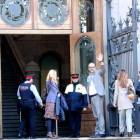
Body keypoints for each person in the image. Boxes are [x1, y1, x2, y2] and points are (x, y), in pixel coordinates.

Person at [17, 74, 43, 139]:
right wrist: (41, 103)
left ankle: (20, 133)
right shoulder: (32, 86)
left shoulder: (20, 86)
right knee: (32, 119)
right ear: (31, 79)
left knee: (24, 119)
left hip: (23, 103)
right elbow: (37, 96)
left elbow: (18, 95)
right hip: (31, 103)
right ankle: (32, 135)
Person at [87, 53, 106, 138]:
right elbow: (88, 89)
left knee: (99, 114)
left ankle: (102, 132)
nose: (91, 68)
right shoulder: (88, 76)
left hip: (98, 95)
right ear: (88, 69)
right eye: (90, 67)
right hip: (92, 97)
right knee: (96, 115)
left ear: (95, 67)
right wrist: (88, 101)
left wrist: (101, 61)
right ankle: (97, 132)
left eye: (93, 67)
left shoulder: (98, 73)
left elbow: (104, 70)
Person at [64, 74, 88, 138]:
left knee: (78, 120)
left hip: (78, 106)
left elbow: (85, 97)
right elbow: (65, 97)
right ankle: (72, 133)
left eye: (76, 78)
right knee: (71, 120)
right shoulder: (68, 86)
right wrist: (65, 106)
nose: (75, 79)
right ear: (72, 79)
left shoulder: (82, 86)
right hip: (70, 106)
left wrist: (85, 106)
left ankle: (77, 133)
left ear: (78, 79)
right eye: (73, 78)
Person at [113, 70, 135, 137]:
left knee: (121, 118)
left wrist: (114, 102)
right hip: (128, 101)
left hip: (121, 102)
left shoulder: (117, 82)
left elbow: (116, 93)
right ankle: (129, 132)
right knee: (128, 118)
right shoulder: (129, 81)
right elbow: (133, 91)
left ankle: (121, 132)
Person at [44, 69, 60, 138]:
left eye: (56, 74)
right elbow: (48, 85)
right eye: (54, 74)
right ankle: (49, 132)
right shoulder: (49, 82)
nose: (55, 76)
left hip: (55, 101)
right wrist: (50, 76)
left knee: (54, 117)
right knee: (49, 117)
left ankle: (53, 132)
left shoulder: (55, 83)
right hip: (50, 101)